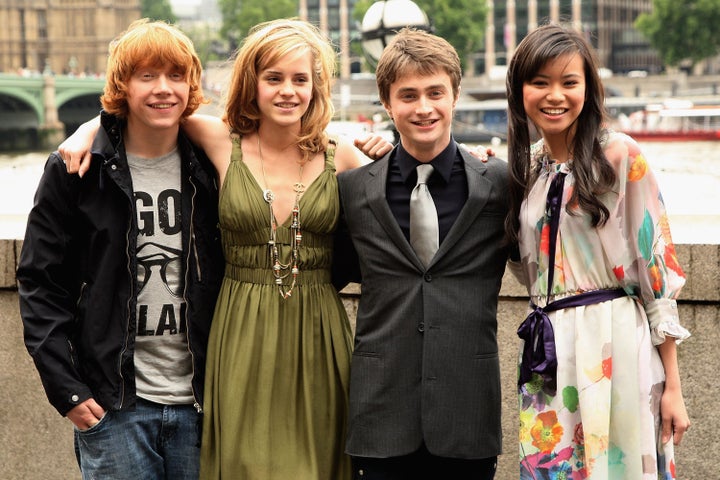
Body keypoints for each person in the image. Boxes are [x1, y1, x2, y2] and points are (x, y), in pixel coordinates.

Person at [16, 19, 224, 480]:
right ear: (122, 86)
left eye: (175, 75)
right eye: (146, 76)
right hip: (114, 405)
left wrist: (372, 148)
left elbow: (295, 141)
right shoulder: (76, 170)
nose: (163, 89)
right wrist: (66, 388)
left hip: (205, 404)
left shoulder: (213, 166)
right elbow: (39, 282)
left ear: (192, 84)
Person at [504, 23, 691, 479]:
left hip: (617, 344)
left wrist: (674, 386)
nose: (555, 96)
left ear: (588, 88)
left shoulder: (620, 155)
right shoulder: (523, 168)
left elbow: (656, 269)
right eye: (540, 82)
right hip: (548, 350)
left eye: (569, 82)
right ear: (520, 90)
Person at [332, 28, 509, 479]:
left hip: (467, 416)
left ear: (455, 95)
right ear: (387, 105)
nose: (424, 107)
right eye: (408, 95)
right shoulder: (354, 190)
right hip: (380, 415)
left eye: (436, 92)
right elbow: (324, 273)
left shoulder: (499, 184)